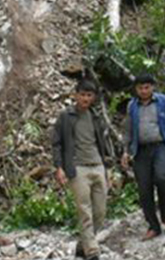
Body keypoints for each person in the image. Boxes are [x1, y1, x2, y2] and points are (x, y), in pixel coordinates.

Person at [51, 80, 111, 260]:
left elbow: (101, 143)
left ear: (93, 97)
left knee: (100, 212)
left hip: (98, 165)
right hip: (77, 168)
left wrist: (107, 168)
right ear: (75, 95)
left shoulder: (95, 116)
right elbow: (56, 143)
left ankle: (81, 246)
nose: (85, 98)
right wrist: (59, 167)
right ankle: (92, 252)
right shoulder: (65, 116)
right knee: (84, 210)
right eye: (82, 94)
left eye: (89, 95)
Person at [121, 75, 165, 240]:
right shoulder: (132, 106)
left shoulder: (162, 101)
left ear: (152, 87)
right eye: (140, 88)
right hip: (140, 150)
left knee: (162, 177)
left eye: (147, 87)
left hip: (160, 146)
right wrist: (125, 151)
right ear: (136, 89)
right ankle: (153, 226)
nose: (144, 91)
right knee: (144, 188)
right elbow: (127, 130)